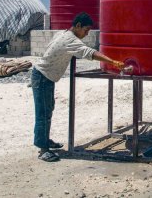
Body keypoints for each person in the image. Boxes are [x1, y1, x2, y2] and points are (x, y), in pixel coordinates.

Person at [31, 12, 124, 162]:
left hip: (44, 76)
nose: (86, 34)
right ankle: (43, 150)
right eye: (86, 30)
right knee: (43, 113)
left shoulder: (63, 33)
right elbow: (90, 53)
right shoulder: (71, 40)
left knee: (48, 110)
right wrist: (113, 61)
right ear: (78, 26)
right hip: (42, 77)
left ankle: (44, 140)